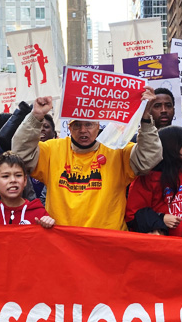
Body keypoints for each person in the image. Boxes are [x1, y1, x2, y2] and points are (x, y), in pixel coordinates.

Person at [11, 89, 162, 230]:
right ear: (69, 128)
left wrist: (145, 118)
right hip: (64, 242)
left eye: (88, 124)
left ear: (98, 126)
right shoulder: (52, 150)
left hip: (108, 242)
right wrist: (35, 116)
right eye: (77, 125)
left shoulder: (117, 150)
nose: (83, 130)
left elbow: (149, 158)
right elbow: (20, 155)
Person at [126, 126, 182, 238]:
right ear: (171, 147)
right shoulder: (147, 178)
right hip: (162, 247)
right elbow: (132, 215)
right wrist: (160, 219)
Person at [0, 151, 54, 227]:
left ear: (25, 181)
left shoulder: (39, 214)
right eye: (5, 176)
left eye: (18, 175)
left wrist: (49, 227)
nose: (13, 180)